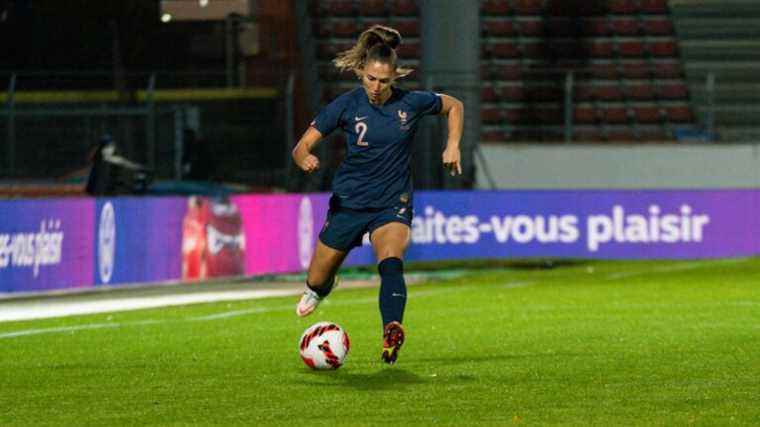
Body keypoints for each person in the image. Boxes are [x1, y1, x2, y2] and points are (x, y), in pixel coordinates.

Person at [291, 25, 464, 364]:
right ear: (361, 72)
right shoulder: (346, 105)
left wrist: (453, 144)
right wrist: (305, 158)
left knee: (391, 261)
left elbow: (454, 105)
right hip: (349, 203)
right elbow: (301, 146)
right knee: (317, 278)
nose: (376, 87)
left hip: (391, 202)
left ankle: (392, 329)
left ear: (395, 76)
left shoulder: (411, 103)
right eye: (370, 78)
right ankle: (320, 288)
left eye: (384, 81)